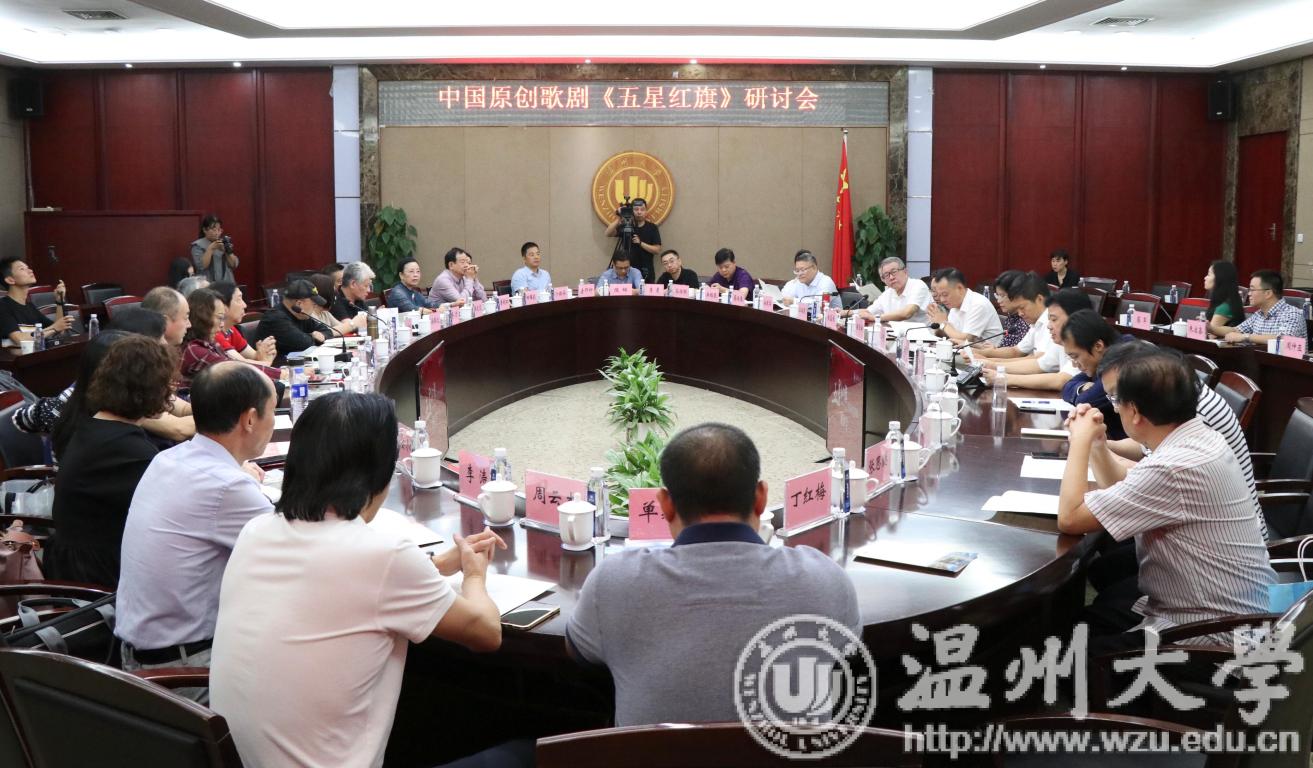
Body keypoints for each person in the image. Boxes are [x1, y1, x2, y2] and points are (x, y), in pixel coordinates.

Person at [210, 392, 508, 768]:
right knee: (524, 752)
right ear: (380, 472)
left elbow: (342, 585)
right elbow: (487, 633)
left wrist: (433, 565)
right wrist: (474, 575)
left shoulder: (256, 530)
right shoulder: (382, 555)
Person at [566, 423, 860, 726]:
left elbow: (580, 652)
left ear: (665, 505)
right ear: (761, 498)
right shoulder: (824, 579)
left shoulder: (613, 581)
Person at [1057, 347, 1273, 653]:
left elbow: (1070, 518)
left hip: (1211, 638)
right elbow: (1122, 488)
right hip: (1222, 610)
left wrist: (1079, 440)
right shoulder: (1197, 436)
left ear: (1135, 412)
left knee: (1069, 653)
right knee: (1085, 618)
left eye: (1116, 400)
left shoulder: (1173, 467)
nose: (1114, 408)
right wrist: (1097, 445)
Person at [117, 363, 277, 686]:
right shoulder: (227, 487)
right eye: (272, 411)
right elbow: (295, 555)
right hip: (185, 671)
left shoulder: (168, 459)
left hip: (137, 660)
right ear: (249, 419)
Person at [45, 335, 177, 588]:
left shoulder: (97, 424)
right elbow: (176, 507)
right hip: (95, 576)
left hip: (85, 557)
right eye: (167, 384)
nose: (171, 391)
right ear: (150, 389)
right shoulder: (125, 449)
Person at [11, 308, 168, 437]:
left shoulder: (91, 399)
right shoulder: (116, 407)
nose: (165, 344)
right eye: (160, 338)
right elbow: (18, 419)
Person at [981, 288, 1085, 391]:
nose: (1049, 326)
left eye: (1054, 319)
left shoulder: (1084, 342)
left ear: (1075, 318)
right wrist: (991, 365)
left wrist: (1003, 378)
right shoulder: (1061, 343)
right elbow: (1038, 364)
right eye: (1049, 320)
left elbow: (1062, 380)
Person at [181, 289, 282, 390]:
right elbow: (237, 368)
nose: (222, 325)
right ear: (203, 318)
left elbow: (240, 362)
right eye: (220, 318)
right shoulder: (194, 349)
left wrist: (266, 360)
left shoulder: (210, 342)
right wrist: (280, 373)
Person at [1059, 309, 1133, 440]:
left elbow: (1085, 400)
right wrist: (1082, 388)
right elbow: (1067, 387)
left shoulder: (1126, 358)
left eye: (1075, 357)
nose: (1075, 365)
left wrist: (1083, 394)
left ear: (1098, 346)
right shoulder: (1103, 356)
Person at [975, 272, 1048, 360]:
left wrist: (989, 361)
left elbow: (1038, 362)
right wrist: (983, 356)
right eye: (997, 295)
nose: (1020, 313)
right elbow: (1016, 351)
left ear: (1039, 299)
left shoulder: (1049, 323)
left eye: (1022, 307)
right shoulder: (1035, 323)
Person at [1222, 269, 1307, 343]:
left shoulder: (1292, 314)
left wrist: (1245, 337)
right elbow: (1236, 330)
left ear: (1268, 293)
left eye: (1252, 289)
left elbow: (1283, 339)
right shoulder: (1258, 314)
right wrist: (1213, 328)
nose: (1249, 294)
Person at [0, 256, 71, 345]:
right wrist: (54, 328)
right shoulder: (3, 306)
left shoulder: (30, 306)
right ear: (10, 280)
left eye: (28, 268)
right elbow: (19, 339)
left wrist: (59, 302)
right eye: (22, 269)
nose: (30, 270)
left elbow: (59, 331)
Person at [927, 267, 1004, 343]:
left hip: (988, 351)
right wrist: (937, 323)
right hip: (965, 350)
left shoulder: (978, 304)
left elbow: (965, 340)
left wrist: (943, 323)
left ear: (959, 288)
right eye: (940, 295)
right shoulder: (955, 305)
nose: (942, 300)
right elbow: (951, 335)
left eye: (945, 294)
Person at [253, 279, 328, 354]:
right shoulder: (276, 318)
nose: (315, 307)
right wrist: (314, 336)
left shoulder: (301, 315)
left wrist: (322, 336)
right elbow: (305, 344)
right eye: (314, 304)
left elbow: (327, 331)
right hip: (272, 361)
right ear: (299, 304)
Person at [211, 282, 276, 364]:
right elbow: (242, 365)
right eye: (239, 299)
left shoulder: (230, 329)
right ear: (222, 305)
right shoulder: (214, 334)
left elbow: (255, 357)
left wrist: (265, 351)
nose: (245, 305)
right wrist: (266, 362)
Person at [856, 256, 932, 323]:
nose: (891, 277)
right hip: (894, 333)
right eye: (886, 275)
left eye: (894, 272)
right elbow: (868, 312)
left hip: (920, 334)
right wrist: (849, 312)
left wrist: (875, 318)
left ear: (905, 271)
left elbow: (906, 314)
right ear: (883, 280)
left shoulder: (918, 285)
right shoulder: (888, 293)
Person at [604, 196, 661, 282]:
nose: (639, 212)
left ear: (646, 211)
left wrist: (641, 243)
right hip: (626, 271)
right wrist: (620, 217)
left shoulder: (652, 227)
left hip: (646, 270)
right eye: (636, 209)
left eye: (642, 209)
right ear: (631, 211)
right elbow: (608, 233)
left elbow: (657, 250)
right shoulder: (626, 225)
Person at [307, 273, 362, 337]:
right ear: (325, 293)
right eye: (333, 292)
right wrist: (353, 323)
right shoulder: (310, 315)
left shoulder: (325, 314)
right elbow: (326, 332)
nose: (335, 296)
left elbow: (342, 328)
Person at [1202, 260, 1246, 338]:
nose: (1205, 278)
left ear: (1220, 278)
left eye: (1209, 274)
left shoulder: (1225, 306)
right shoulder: (1225, 299)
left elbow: (1211, 336)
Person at [191, 214, 239, 284]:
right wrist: (211, 248)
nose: (216, 233)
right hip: (207, 284)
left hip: (227, 283)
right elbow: (202, 266)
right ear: (204, 230)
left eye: (219, 230)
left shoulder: (224, 242)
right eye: (213, 230)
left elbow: (233, 265)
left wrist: (227, 251)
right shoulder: (197, 245)